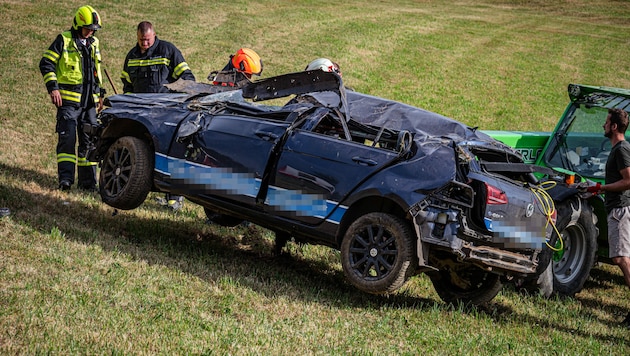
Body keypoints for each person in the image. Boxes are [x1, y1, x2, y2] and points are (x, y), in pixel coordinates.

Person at [121, 21, 196, 210]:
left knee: (168, 153)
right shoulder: (132, 56)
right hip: (142, 115)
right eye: (140, 40)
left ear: (154, 35)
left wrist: (176, 101)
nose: (144, 44)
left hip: (166, 114)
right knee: (143, 153)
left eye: (146, 40)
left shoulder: (168, 51)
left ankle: (174, 199)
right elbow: (127, 84)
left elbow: (187, 78)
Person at [39, 5, 105, 192]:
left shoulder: (94, 43)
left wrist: (99, 94)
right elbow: (46, 63)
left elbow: (95, 70)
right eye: (88, 28)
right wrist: (53, 88)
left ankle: (88, 184)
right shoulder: (64, 40)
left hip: (89, 103)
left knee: (89, 143)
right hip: (68, 102)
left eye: (93, 29)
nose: (91, 32)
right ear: (78, 25)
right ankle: (66, 181)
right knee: (67, 140)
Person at [587, 108, 630, 328]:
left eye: (606, 122)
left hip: (620, 210)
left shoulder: (621, 149)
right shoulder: (618, 149)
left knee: (621, 259)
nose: (603, 125)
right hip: (617, 208)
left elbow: (628, 180)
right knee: (621, 258)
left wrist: (602, 187)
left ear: (614, 126)